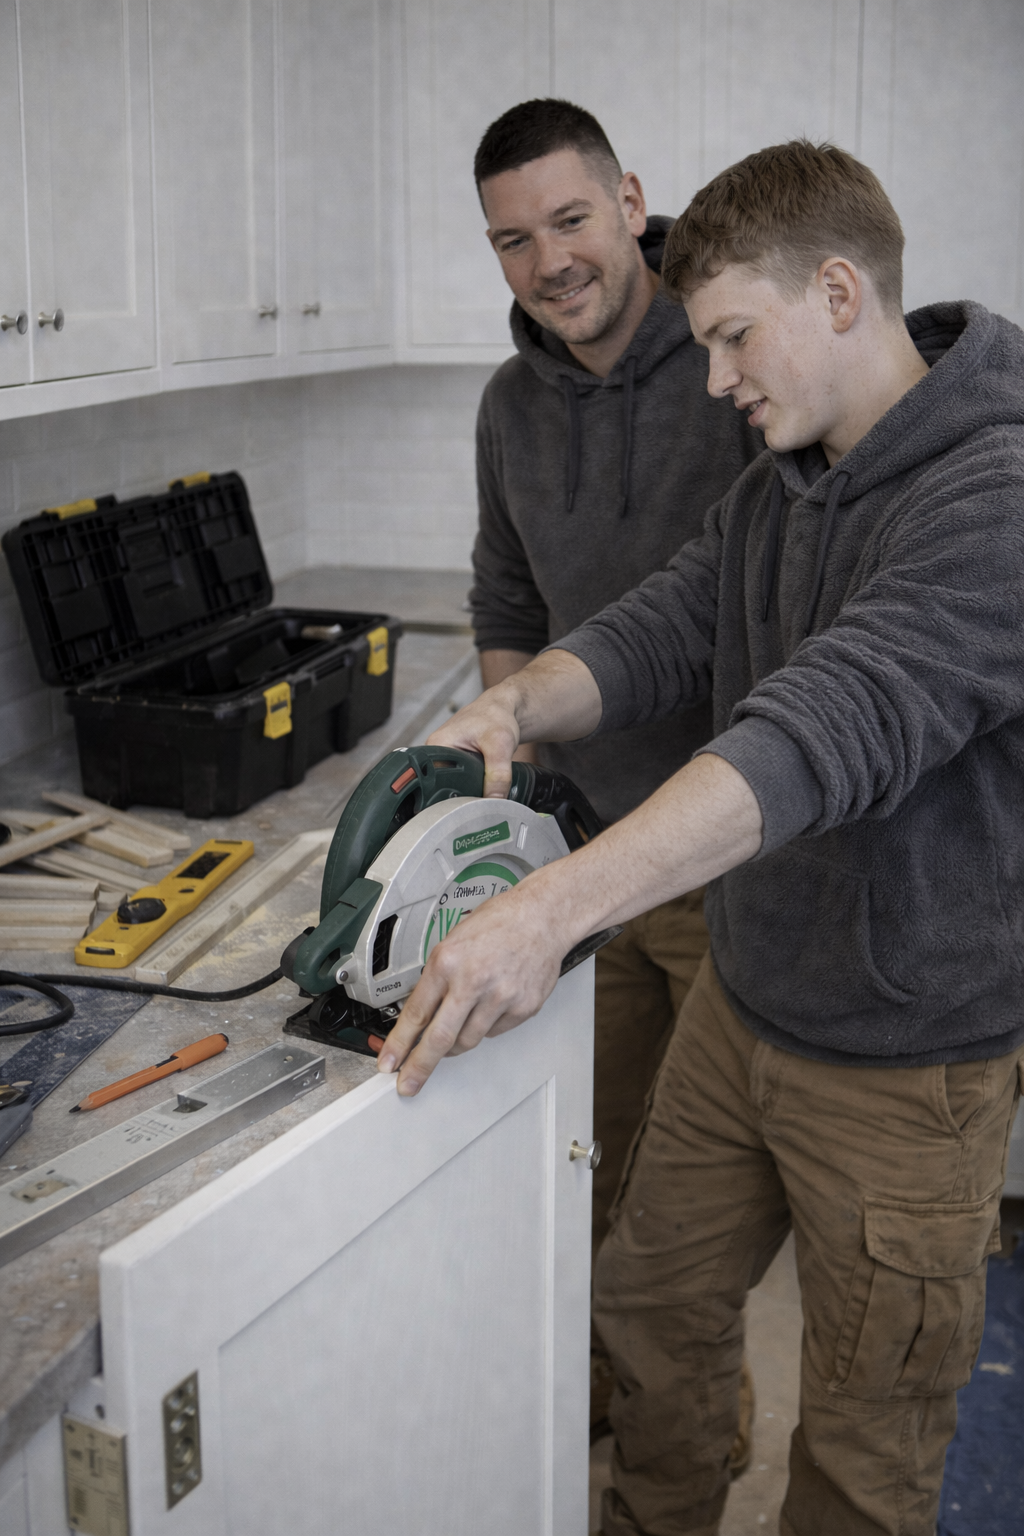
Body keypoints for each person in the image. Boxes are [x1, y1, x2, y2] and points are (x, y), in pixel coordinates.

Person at [378, 139, 1024, 1535]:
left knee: (862, 1443)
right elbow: (665, 623)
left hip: (909, 1068)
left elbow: (820, 728)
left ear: (839, 294)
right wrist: (511, 708)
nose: (719, 378)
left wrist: (549, 912)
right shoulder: (786, 474)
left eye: (734, 338)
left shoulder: (999, 497)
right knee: (648, 1302)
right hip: (751, 1000)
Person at [468, 98, 762, 1443]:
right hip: (584, 853)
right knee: (594, 1160)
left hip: (733, 858)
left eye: (572, 220)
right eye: (514, 240)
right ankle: (592, 1416)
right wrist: (497, 742)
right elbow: (508, 598)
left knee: (694, 1226)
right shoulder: (507, 407)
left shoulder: (730, 363)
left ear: (632, 201)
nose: (549, 263)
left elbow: (744, 606)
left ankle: (676, 1432)